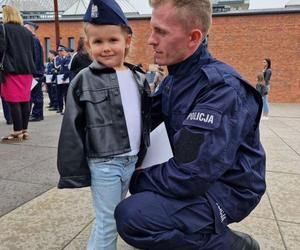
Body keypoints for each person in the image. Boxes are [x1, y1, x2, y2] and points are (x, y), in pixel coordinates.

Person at [115, 1, 266, 250]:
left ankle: (231, 245)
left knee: (134, 217)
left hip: (231, 188)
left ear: (193, 37)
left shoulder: (220, 89)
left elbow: (190, 175)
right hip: (206, 175)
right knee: (145, 199)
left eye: (161, 32)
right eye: (153, 30)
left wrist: (135, 176)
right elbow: (142, 122)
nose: (151, 40)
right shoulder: (177, 79)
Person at [56, 0, 151, 250]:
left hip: (133, 161)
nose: (106, 48)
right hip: (104, 165)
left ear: (127, 40)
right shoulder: (83, 80)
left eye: (113, 40)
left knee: (115, 218)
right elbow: (71, 128)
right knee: (107, 222)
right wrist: (73, 172)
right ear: (88, 45)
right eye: (98, 42)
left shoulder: (138, 77)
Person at [0, 5, 36, 142]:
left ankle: (17, 131)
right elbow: (33, 53)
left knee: (13, 100)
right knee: (24, 100)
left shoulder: (3, 28)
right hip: (27, 70)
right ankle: (24, 130)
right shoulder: (26, 32)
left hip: (11, 69)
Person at [24, 21, 45, 122]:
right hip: (35, 71)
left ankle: (37, 115)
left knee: (36, 95)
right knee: (34, 94)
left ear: (30, 29)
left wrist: (33, 72)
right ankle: (36, 114)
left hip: (35, 72)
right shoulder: (32, 40)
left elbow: (35, 58)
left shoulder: (33, 40)